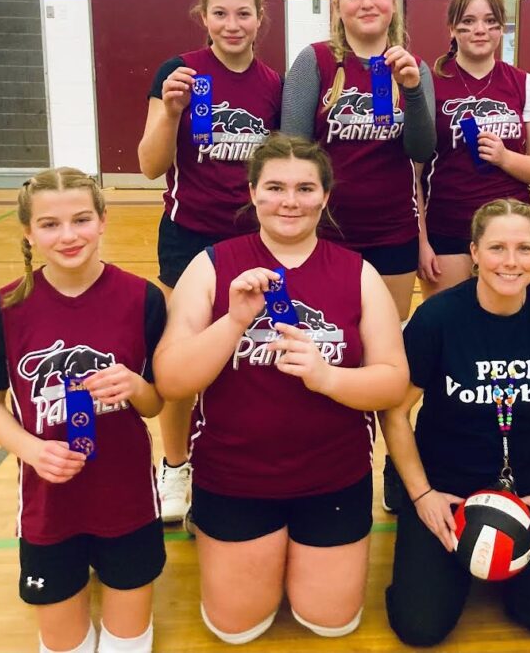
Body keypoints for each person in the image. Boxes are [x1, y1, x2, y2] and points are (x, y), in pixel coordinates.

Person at [152, 134, 408, 644]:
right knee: (237, 630)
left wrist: (327, 377)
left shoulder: (358, 272)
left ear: (325, 197)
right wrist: (234, 321)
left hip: (334, 477)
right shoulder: (211, 266)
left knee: (330, 623)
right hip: (236, 478)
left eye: (305, 188)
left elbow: (393, 381)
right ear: (251, 193)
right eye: (274, 187)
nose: (290, 201)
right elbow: (172, 379)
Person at [381, 199, 530, 646]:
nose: (511, 262)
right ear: (474, 253)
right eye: (497, 247)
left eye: (524, 248)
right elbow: (395, 412)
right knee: (420, 628)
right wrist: (421, 495)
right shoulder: (437, 318)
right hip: (445, 487)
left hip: (528, 488)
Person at [0, 168, 166, 653]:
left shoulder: (142, 299)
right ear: (28, 231)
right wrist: (31, 449)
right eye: (50, 224)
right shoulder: (6, 308)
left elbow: (158, 401)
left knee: (127, 645)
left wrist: (137, 385)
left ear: (103, 221)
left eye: (81, 219)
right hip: (49, 504)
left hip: (126, 499)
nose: (68, 235)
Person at [137, 0, 283, 524]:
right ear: (204, 17)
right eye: (220, 13)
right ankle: (174, 465)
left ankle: (234, 454)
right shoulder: (179, 73)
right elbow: (151, 166)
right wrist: (171, 111)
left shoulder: (273, 84)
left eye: (242, 13)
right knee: (182, 354)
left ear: (259, 18)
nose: (232, 24)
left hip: (253, 238)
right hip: (189, 237)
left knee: (250, 352)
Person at [281, 0, 436, 321]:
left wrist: (411, 90)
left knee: (388, 334)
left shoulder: (416, 68)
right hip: (325, 231)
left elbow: (421, 151)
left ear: (393, 3)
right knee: (327, 335)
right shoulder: (313, 61)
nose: (366, 3)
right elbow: (292, 153)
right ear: (336, 6)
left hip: (393, 231)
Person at [418, 0, 530, 299]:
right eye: (468, 22)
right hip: (447, 228)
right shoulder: (431, 83)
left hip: (509, 231)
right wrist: (421, 241)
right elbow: (412, 175)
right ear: (452, 28)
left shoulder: (523, 83)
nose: (480, 30)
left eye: (490, 21)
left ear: (502, 29)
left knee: (504, 330)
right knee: (450, 332)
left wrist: (504, 158)